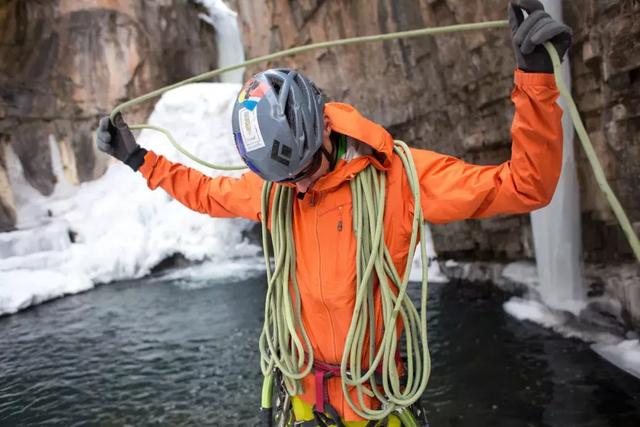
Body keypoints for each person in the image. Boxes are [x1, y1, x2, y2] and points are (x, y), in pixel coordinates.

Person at [96, 1, 571, 425]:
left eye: (301, 172)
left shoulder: (397, 178)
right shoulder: (277, 187)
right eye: (285, 180)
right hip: (304, 395)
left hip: (377, 401)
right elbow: (207, 193)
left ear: (323, 129)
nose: (297, 188)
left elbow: (525, 185)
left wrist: (535, 80)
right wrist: (139, 158)